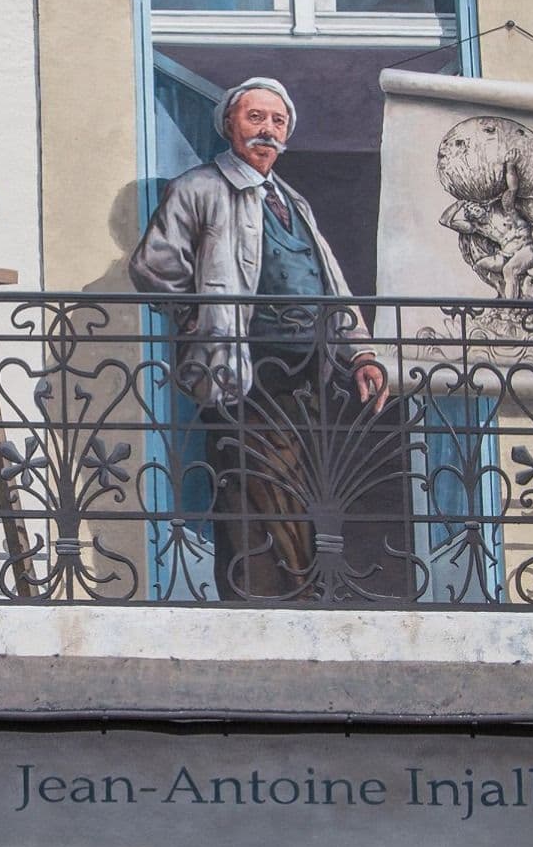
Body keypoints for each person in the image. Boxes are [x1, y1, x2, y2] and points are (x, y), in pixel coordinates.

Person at [129, 77, 389, 598]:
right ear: (230, 125)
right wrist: (201, 322)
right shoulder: (198, 188)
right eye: (256, 118)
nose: (267, 131)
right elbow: (154, 267)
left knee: (292, 484)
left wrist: (360, 353)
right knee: (256, 484)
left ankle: (295, 590)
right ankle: (289, 593)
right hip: (240, 368)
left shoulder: (294, 201)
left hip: (305, 372)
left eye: (277, 121)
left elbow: (331, 286)